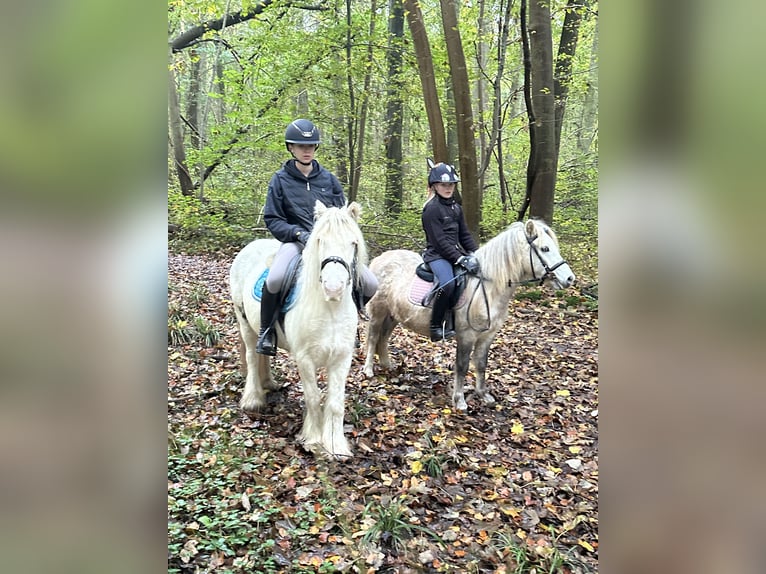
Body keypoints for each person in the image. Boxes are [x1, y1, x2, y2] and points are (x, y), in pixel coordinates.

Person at [256, 118, 378, 355]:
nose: (306, 150)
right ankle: (267, 332)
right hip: (296, 242)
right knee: (275, 279)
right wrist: (297, 233)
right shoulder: (280, 180)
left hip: (330, 245)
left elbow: (343, 216)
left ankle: (348, 324)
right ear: (291, 148)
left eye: (310, 146)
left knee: (371, 283)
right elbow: (273, 219)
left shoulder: (328, 179)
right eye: (301, 146)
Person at [421, 161, 480, 342]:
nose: (448, 188)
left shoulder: (456, 208)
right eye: (443, 185)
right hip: (437, 256)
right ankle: (436, 326)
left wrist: (477, 254)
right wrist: (461, 259)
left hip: (455, 253)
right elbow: (439, 242)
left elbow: (464, 235)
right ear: (435, 186)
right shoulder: (431, 209)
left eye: (451, 185)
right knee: (447, 284)